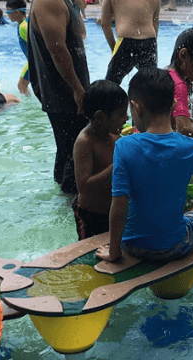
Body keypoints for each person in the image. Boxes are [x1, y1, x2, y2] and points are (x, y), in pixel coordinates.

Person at [95, 68, 193, 263]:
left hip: (132, 247)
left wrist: (114, 252)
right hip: (174, 246)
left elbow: (119, 206)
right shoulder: (192, 147)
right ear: (174, 104)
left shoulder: (124, 146)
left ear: (136, 107)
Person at [28, 0, 90, 194]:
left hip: (64, 91)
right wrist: (78, 89)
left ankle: (64, 200)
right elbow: (57, 49)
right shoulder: (50, 0)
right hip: (64, 93)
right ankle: (70, 206)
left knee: (68, 151)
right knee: (75, 152)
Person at [72, 80, 129, 240]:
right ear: (100, 117)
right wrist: (115, 167)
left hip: (113, 211)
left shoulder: (114, 136)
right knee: (89, 251)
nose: (126, 118)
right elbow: (83, 186)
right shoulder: (85, 142)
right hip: (91, 216)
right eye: (121, 114)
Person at [101, 0, 159, 85]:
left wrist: (114, 48)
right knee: (150, 85)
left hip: (126, 40)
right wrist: (152, 45)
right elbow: (155, 23)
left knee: (110, 85)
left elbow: (104, 24)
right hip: (149, 41)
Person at [5, 0, 30, 96]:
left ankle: (29, 108)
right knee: (22, 86)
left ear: (17, 12)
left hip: (33, 63)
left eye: (8, 12)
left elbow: (37, 46)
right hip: (32, 62)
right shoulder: (25, 23)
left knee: (21, 86)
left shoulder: (23, 27)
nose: (7, 15)